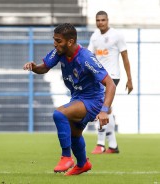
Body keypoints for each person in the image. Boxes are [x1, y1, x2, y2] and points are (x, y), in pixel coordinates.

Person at [23, 23, 116, 176]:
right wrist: (34, 67)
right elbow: (44, 68)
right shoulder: (59, 52)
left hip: (93, 100)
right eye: (54, 40)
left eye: (58, 41)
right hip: (77, 97)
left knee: (60, 114)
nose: (55, 44)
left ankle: (66, 157)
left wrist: (104, 110)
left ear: (70, 41)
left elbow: (110, 84)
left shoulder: (86, 58)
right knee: (74, 135)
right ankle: (82, 164)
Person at [88, 11, 133, 154]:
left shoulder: (117, 35)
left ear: (107, 20)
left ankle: (101, 144)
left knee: (101, 108)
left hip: (112, 76)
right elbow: (89, 56)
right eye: (98, 20)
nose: (100, 22)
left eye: (103, 20)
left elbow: (125, 57)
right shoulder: (94, 36)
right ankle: (113, 145)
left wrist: (129, 79)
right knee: (107, 109)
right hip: (99, 77)